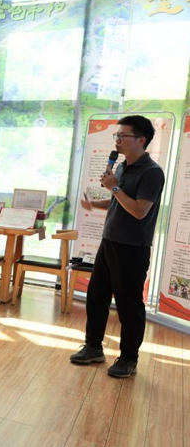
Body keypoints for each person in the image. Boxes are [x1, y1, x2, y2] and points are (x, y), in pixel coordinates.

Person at [71, 115, 165, 378]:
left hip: (132, 248)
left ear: (141, 140)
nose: (118, 140)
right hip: (109, 241)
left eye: (123, 135)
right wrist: (95, 204)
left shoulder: (152, 172)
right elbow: (119, 202)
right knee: (96, 296)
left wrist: (113, 188)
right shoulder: (122, 167)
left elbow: (139, 211)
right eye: (117, 135)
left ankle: (128, 359)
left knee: (128, 305)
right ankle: (93, 347)